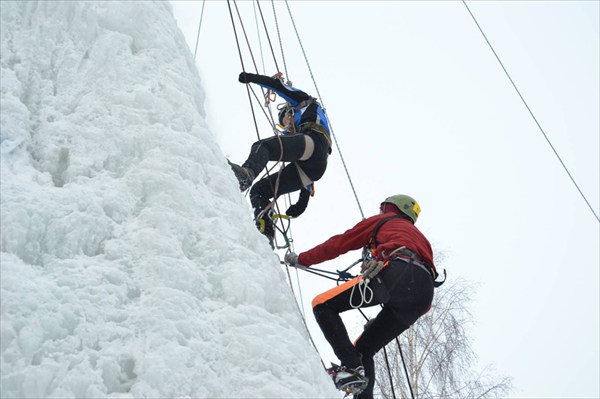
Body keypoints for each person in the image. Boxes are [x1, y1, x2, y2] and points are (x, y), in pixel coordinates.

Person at [284, 194, 437, 398]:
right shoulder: (420, 239)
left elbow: (341, 242)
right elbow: (419, 289)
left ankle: (351, 368)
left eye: (382, 208)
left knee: (322, 304)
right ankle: (357, 377)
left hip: (398, 271)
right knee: (364, 349)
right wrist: (390, 317)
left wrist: (302, 259)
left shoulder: (385, 220)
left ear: (391, 208)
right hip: (421, 296)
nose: (380, 212)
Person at [228, 72, 331, 247]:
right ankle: (266, 233)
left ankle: (247, 174)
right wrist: (302, 202)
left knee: (263, 146)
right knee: (259, 191)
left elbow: (277, 86)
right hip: (312, 167)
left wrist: (251, 78)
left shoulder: (303, 101)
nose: (285, 124)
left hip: (315, 141)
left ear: (289, 110)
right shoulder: (296, 132)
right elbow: (310, 163)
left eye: (284, 119)